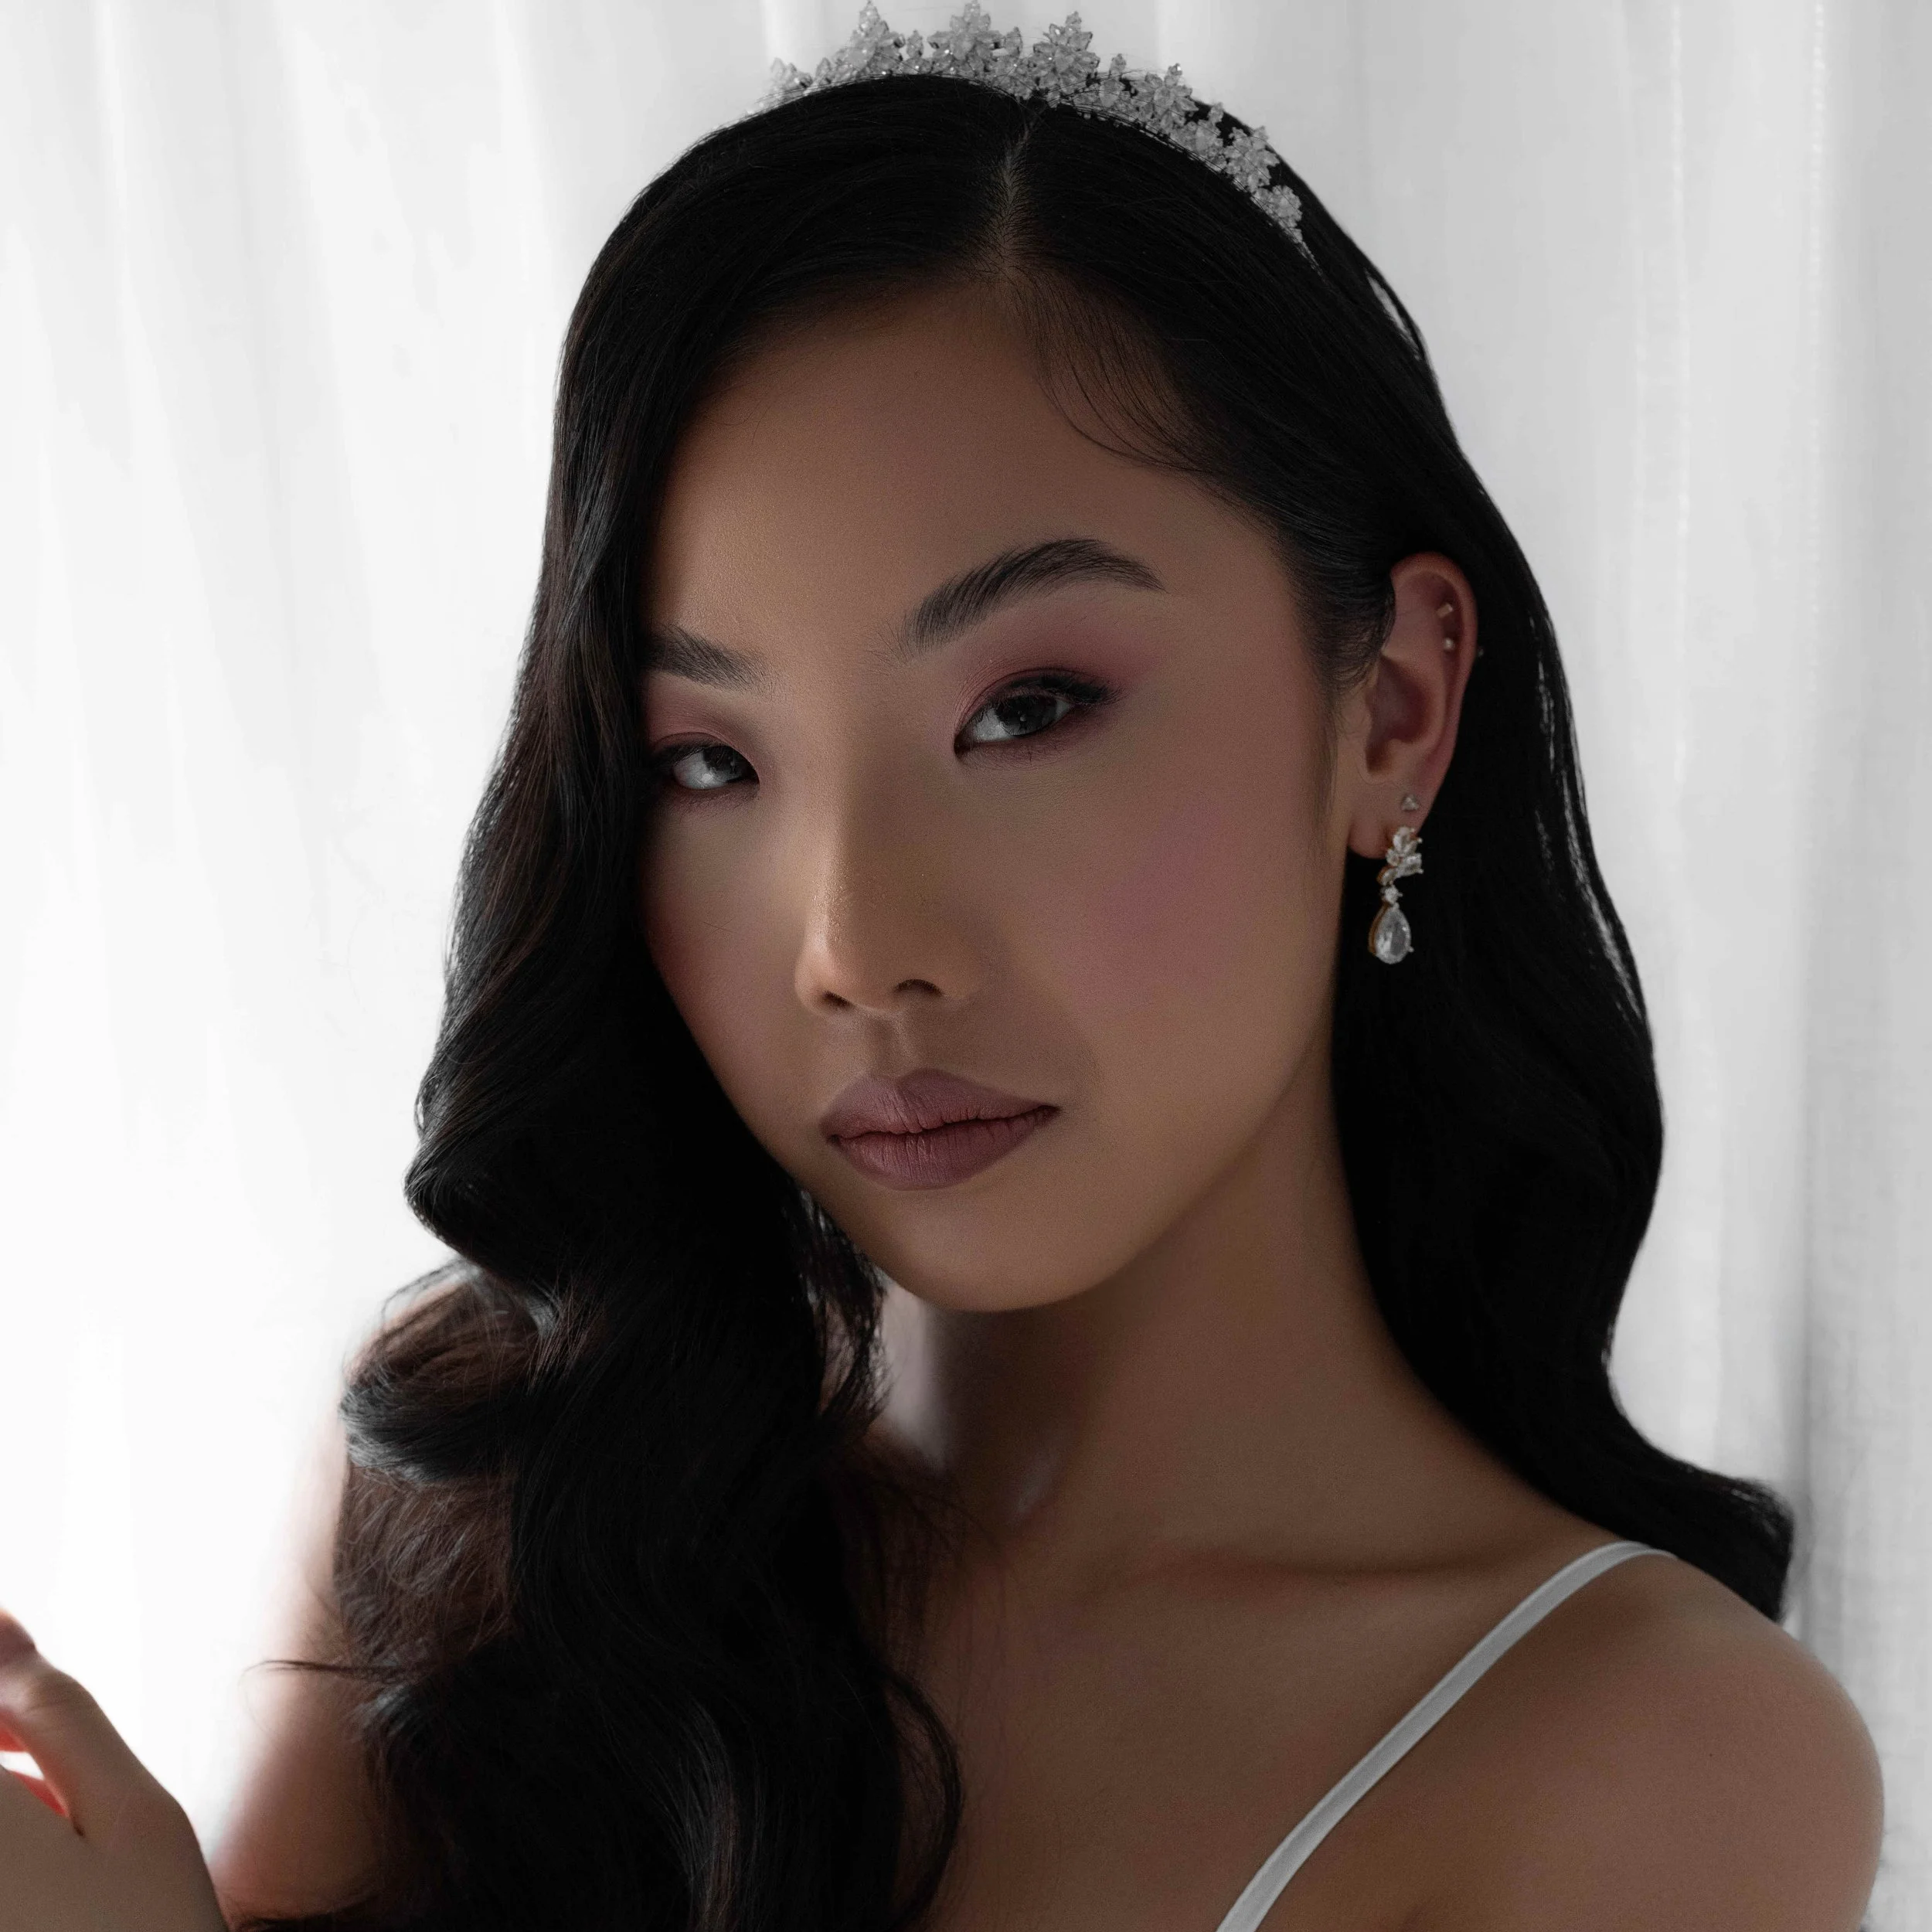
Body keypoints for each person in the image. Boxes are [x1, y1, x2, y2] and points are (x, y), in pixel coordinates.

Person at [0, 12, 1883, 1930]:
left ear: (1393, 703)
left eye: (1027, 708)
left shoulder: (1637, 1756)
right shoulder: (474, 1519)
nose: (854, 946)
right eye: (706, 762)